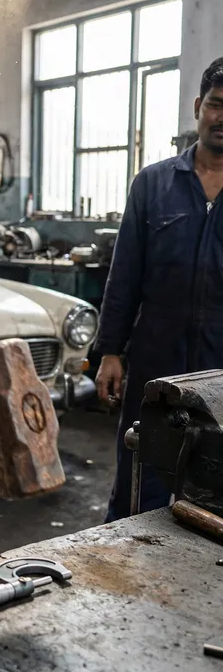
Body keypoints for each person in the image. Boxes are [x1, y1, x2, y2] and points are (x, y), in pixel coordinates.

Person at [95, 57, 223, 521]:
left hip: (220, 374)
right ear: (198, 107)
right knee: (139, 485)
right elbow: (124, 275)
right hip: (155, 368)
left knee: (213, 497)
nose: (222, 118)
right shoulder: (153, 184)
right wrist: (111, 351)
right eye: (216, 105)